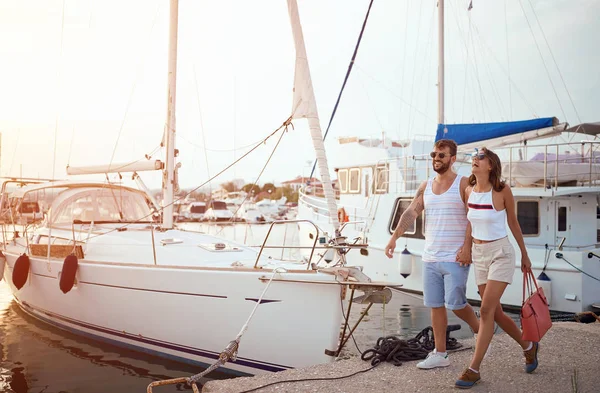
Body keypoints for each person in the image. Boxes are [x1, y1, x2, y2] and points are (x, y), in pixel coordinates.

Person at [385, 139, 480, 370]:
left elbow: (473, 217)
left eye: (441, 155)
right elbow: (411, 212)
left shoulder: (463, 183)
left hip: (455, 257)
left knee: (456, 304)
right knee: (435, 305)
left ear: (452, 159)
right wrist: (394, 237)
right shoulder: (425, 186)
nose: (436, 159)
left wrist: (467, 247)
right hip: (430, 257)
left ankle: (481, 332)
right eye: (434, 155)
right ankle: (440, 353)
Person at [455, 147, 538, 389]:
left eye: (480, 157)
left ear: (491, 165)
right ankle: (529, 346)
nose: (475, 160)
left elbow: (513, 222)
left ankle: (473, 369)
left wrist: (524, 254)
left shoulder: (502, 191)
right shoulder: (469, 191)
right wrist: (467, 248)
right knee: (498, 313)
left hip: (501, 253)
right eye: (473, 158)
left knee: (487, 310)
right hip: (479, 256)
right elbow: (471, 222)